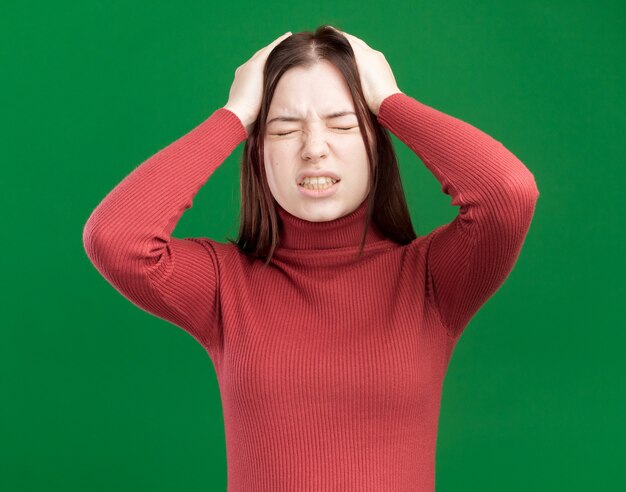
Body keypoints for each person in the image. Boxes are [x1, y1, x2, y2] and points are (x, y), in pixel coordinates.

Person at [82, 25, 540, 492]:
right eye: (284, 129)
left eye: (342, 125)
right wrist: (234, 116)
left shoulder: (429, 280)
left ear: (376, 145)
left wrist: (389, 101)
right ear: (258, 153)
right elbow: (116, 238)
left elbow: (508, 193)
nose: (314, 148)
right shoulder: (226, 284)